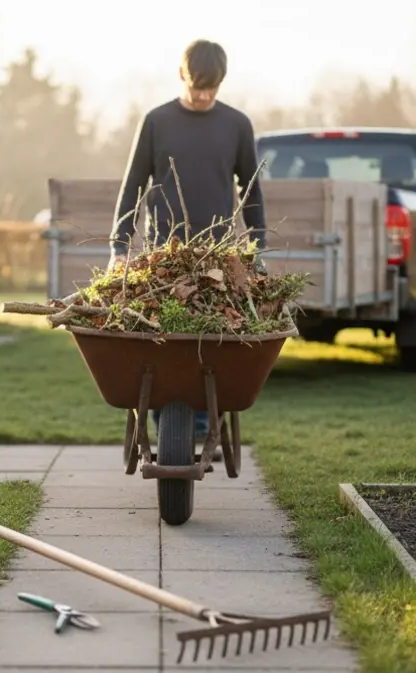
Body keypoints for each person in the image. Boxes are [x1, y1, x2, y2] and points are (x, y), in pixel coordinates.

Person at [109, 38, 268, 462]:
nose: (203, 95)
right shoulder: (157, 122)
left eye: (211, 88)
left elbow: (251, 191)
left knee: (206, 342)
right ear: (183, 76)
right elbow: (132, 187)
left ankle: (199, 426)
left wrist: (258, 246)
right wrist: (119, 246)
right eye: (197, 86)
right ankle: (172, 431)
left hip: (216, 256)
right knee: (162, 343)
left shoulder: (236, 125)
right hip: (164, 255)